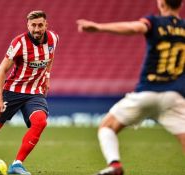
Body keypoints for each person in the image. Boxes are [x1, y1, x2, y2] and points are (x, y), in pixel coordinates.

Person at [77, 0, 185, 174]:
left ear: (161, 3)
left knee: (107, 126)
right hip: (175, 95)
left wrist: (99, 27)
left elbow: (135, 28)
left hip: (148, 90)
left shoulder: (154, 22)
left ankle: (115, 165)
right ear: (180, 4)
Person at [0, 10, 59, 175]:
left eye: (40, 25)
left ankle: (17, 164)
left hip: (35, 92)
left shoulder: (53, 39)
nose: (36, 29)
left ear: (46, 25)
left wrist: (47, 76)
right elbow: (1, 71)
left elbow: (51, 57)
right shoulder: (19, 43)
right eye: (33, 25)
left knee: (40, 122)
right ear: (28, 25)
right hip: (13, 91)